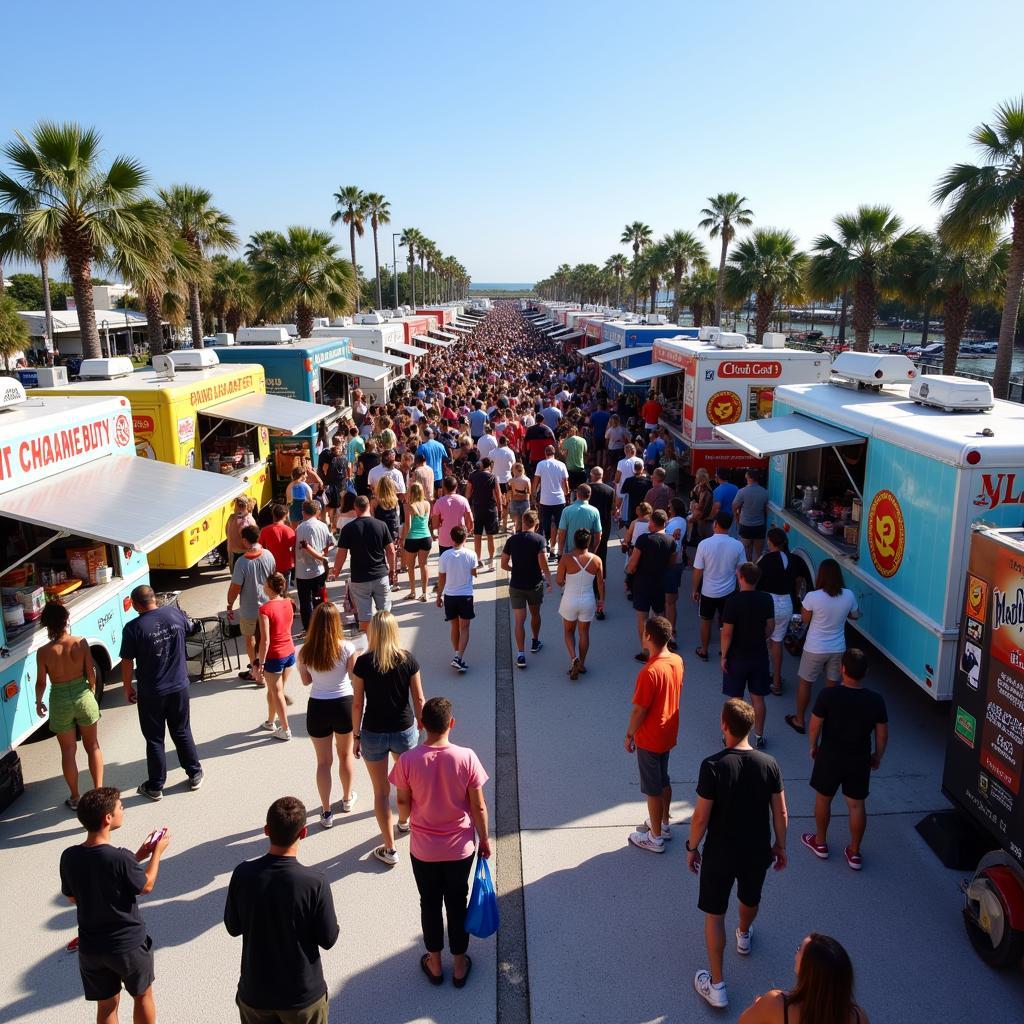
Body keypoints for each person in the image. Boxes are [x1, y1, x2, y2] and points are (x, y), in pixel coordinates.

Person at [688, 699, 789, 1010]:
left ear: (724, 725)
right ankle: (744, 935)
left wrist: (692, 847)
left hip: (720, 852)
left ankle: (717, 985)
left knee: (715, 914)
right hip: (756, 850)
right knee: (749, 898)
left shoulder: (712, 765)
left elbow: (701, 818)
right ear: (750, 727)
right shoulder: (769, 763)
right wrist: (780, 846)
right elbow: (781, 812)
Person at [390, 697, 491, 988]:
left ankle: (434, 963)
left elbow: (402, 801)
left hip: (423, 849)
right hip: (460, 849)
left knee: (429, 903)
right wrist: (483, 839)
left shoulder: (408, 760)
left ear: (421, 725)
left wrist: (406, 819)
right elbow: (479, 807)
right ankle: (459, 965)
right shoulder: (467, 757)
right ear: (452, 724)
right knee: (457, 903)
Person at [224, 797, 339, 1024]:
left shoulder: (242, 874)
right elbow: (328, 939)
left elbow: (233, 927)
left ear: (266, 830)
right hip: (303, 998)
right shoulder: (315, 883)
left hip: (255, 994)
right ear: (304, 833)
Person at [60, 787, 170, 1024]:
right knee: (142, 996)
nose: (123, 809)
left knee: (107, 1005)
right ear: (107, 818)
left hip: (91, 948)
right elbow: (146, 885)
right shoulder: (119, 857)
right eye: (120, 807)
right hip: (127, 946)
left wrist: (138, 855)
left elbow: (72, 897)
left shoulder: (69, 856)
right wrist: (157, 854)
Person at [351, 611, 426, 866]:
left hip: (373, 731)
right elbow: (419, 699)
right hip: (404, 730)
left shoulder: (363, 662)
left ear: (372, 632)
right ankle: (404, 822)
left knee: (381, 792)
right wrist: (422, 724)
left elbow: (357, 703)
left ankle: (390, 848)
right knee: (405, 785)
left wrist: (356, 735)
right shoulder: (408, 660)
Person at [803, 649, 888, 870]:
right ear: (866, 673)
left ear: (842, 670)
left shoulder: (827, 695)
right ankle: (854, 852)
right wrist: (877, 755)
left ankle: (820, 843)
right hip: (859, 759)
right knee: (857, 805)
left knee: (823, 799)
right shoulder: (876, 701)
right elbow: (882, 734)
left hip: (830, 755)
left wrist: (813, 746)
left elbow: (814, 725)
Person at [120, 586, 204, 800]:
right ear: (154, 599)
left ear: (136, 605)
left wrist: (128, 687)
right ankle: (194, 773)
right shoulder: (173, 614)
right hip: (178, 686)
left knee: (155, 739)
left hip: (151, 693)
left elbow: (127, 661)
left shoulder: (133, 628)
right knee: (182, 730)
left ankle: (156, 786)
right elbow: (191, 628)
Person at [35, 602, 102, 810]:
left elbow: (41, 683)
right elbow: (91, 674)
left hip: (60, 699)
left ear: (46, 625)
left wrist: (39, 702)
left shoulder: (43, 652)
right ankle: (98, 792)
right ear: (66, 620)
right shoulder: (80, 642)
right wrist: (90, 691)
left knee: (68, 751)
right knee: (93, 746)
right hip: (83, 696)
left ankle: (75, 797)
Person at [297, 602, 359, 828]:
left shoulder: (305, 651)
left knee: (323, 762)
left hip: (318, 707)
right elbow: (354, 676)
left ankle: (325, 811)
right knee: (345, 756)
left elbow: (306, 681)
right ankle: (346, 798)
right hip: (343, 705)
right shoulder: (347, 648)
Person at [625, 616, 683, 853]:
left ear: (648, 636)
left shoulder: (649, 672)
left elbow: (640, 709)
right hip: (668, 731)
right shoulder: (677, 661)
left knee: (652, 788)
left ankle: (655, 837)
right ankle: (664, 823)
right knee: (663, 779)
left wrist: (630, 734)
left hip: (650, 736)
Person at [786, 559, 860, 735]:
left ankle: (799, 720)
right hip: (837, 648)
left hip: (814, 648)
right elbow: (855, 615)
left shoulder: (813, 597)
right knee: (832, 688)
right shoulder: (848, 595)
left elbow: (804, 620)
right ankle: (828, 721)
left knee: (805, 683)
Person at [738, 933, 869, 1024]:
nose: (796, 953)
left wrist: (765, 1008)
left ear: (809, 972)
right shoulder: (858, 1017)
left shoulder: (777, 1005)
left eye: (799, 949)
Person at [721, 563, 775, 748]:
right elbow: (771, 626)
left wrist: (724, 656)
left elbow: (727, 633)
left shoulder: (733, 601)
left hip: (737, 656)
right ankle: (759, 735)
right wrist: (761, 637)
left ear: (741, 578)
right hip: (759, 654)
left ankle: (732, 734)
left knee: (735, 700)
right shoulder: (766, 599)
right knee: (758, 698)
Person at [331, 495, 395, 632]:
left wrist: (335, 572)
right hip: (380, 575)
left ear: (355, 508)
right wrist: (393, 571)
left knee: (364, 617)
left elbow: (341, 554)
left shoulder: (348, 529)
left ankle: (371, 646)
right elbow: (391, 551)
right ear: (368, 507)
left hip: (359, 578)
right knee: (384, 614)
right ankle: (387, 643)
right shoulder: (381, 525)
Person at [501, 509, 552, 669]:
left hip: (516, 585)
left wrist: (514, 570)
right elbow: (542, 561)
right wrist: (549, 579)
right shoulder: (539, 540)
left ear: (523, 522)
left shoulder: (512, 540)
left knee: (519, 621)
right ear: (536, 525)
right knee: (535, 614)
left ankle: (521, 654)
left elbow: (503, 563)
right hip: (534, 584)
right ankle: (535, 641)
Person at [692, 512, 745, 662]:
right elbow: (741, 570)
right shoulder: (738, 545)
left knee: (705, 620)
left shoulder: (704, 544)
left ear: (715, 524)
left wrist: (694, 589)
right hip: (728, 592)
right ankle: (724, 651)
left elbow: (698, 571)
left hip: (708, 591)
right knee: (726, 623)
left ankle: (704, 650)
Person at [227, 525, 277, 682]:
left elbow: (235, 588)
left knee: (250, 640)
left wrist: (230, 603)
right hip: (268, 606)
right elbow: (275, 577)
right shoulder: (269, 555)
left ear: (244, 540)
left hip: (249, 609)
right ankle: (266, 667)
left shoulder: (242, 563)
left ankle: (255, 670)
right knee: (264, 638)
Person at [625, 509, 676, 662]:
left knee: (642, 616)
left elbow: (633, 563)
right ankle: (661, 648)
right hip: (660, 582)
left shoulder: (643, 539)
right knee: (660, 615)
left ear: (652, 522)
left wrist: (630, 571)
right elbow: (672, 563)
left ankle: (646, 651)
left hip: (642, 582)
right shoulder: (670, 541)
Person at [556, 528, 604, 678]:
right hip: (588, 600)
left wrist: (564, 580)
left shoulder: (566, 558)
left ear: (574, 541)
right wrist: (601, 600)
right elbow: (601, 583)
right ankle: (582, 663)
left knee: (568, 632)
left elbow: (558, 581)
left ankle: (573, 658)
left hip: (570, 599)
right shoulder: (597, 560)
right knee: (584, 633)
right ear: (589, 543)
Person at [256, 573, 296, 741]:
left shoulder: (264, 609)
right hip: (289, 652)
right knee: (274, 690)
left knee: (276, 691)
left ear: (269, 587)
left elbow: (265, 640)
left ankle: (285, 729)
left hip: (274, 655)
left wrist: (261, 663)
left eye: (264, 583)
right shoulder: (289, 603)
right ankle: (271, 721)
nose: (263, 586)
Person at [757, 528, 797, 696]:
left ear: (770, 542)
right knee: (777, 642)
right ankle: (777, 681)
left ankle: (762, 676)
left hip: (768, 603)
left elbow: (756, 578)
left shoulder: (765, 560)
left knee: (763, 642)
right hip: (786, 604)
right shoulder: (793, 559)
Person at [436, 525, 478, 673]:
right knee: (465, 627)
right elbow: (474, 573)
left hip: (450, 596)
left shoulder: (444, 556)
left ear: (451, 538)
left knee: (454, 626)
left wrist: (438, 595)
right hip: (465, 595)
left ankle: (456, 655)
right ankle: (458, 658)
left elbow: (442, 578)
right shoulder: (471, 554)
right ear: (465, 537)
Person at [294, 500, 334, 633]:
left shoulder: (301, 528)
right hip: (319, 570)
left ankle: (309, 629)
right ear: (317, 512)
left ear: (303, 512)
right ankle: (323, 625)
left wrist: (320, 556)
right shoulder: (323, 526)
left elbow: (304, 548)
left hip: (303, 571)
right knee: (319, 599)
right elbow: (330, 544)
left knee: (305, 602)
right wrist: (323, 555)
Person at [587, 466, 616, 618]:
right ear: (602, 475)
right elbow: (613, 509)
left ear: (592, 475)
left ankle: (589, 582)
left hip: (589, 528)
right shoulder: (610, 490)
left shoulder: (587, 489)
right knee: (601, 556)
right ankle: (600, 582)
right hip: (604, 528)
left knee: (588, 554)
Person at [532, 444, 569, 559]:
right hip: (559, 499)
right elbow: (565, 483)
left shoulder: (541, 464)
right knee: (558, 525)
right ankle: (555, 547)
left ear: (545, 453)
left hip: (545, 500)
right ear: (555, 453)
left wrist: (533, 493)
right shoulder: (561, 465)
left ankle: (547, 544)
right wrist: (566, 493)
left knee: (545, 524)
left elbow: (536, 480)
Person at [465, 456, 502, 569]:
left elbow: (468, 494)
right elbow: (498, 495)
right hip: (490, 509)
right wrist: (500, 509)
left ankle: (478, 560)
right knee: (490, 536)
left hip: (477, 508)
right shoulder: (492, 477)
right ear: (489, 466)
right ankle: (491, 560)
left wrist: (468, 508)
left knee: (477, 535)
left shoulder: (473, 476)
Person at [402, 480, 433, 602]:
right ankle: (425, 593)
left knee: (411, 566)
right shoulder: (427, 504)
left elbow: (408, 525)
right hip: (426, 537)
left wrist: (403, 539)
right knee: (423, 565)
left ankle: (413, 591)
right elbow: (426, 520)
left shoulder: (409, 506)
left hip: (412, 538)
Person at [431, 476, 473, 558]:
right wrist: (468, 531)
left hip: (444, 539)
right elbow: (470, 520)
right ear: (456, 487)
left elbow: (435, 525)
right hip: (460, 538)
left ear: (444, 488)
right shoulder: (463, 500)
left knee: (445, 566)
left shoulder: (438, 503)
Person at [371, 476, 402, 586]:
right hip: (392, 530)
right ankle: (393, 576)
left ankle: (383, 577)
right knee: (393, 553)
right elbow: (397, 516)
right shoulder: (395, 501)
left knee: (381, 554)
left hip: (379, 530)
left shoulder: (375, 501)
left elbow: (372, 517)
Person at [733, 469, 770, 561]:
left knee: (746, 552)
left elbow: (734, 506)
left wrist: (737, 518)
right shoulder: (764, 492)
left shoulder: (742, 491)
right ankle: (756, 571)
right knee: (758, 553)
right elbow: (766, 511)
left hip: (745, 525)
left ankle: (748, 572)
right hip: (759, 526)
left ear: (748, 477)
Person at [258, 505, 295, 590]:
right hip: (286, 564)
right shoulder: (290, 531)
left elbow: (260, 548)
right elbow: (294, 549)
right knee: (284, 590)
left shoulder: (264, 530)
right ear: (285, 516)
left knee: (272, 591)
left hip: (270, 565)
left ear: (273, 515)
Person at [226, 496, 258, 570]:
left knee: (236, 577)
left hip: (235, 552)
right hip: (242, 552)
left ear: (237, 506)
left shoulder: (232, 518)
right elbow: (251, 540)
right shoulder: (248, 520)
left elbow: (226, 532)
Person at [618, 459, 651, 529]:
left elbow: (623, 491)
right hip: (645, 505)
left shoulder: (628, 480)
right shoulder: (648, 481)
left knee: (632, 523)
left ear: (634, 469)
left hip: (633, 506)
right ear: (642, 469)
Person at [417, 427, 450, 492]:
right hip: (438, 476)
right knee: (438, 498)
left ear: (424, 435)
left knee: (428, 497)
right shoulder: (440, 445)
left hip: (426, 476)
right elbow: (446, 459)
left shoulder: (422, 447)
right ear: (432, 435)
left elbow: (417, 461)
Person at [506, 462, 533, 534]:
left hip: (515, 501)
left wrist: (515, 493)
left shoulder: (511, 481)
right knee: (523, 521)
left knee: (517, 521)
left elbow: (509, 493)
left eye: (513, 470)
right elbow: (529, 492)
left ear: (516, 470)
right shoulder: (527, 480)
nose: (512, 472)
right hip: (524, 502)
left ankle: (517, 534)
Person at [560, 422, 588, 490]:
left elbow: (564, 455)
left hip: (570, 470)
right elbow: (585, 453)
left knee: (571, 489)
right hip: (581, 469)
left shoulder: (566, 442)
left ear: (568, 432)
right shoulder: (583, 440)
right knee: (581, 489)